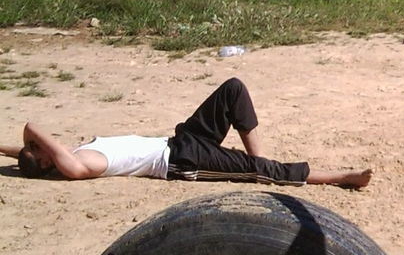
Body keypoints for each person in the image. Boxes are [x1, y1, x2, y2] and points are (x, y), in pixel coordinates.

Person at [1, 77, 372, 189]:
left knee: (233, 89)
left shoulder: (60, 156)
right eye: (41, 148)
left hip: (179, 141)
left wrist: (15, 153)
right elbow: (33, 128)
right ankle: (341, 178)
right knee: (265, 173)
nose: (42, 142)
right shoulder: (78, 164)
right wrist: (33, 136)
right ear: (50, 159)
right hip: (182, 161)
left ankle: (256, 159)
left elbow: (21, 150)